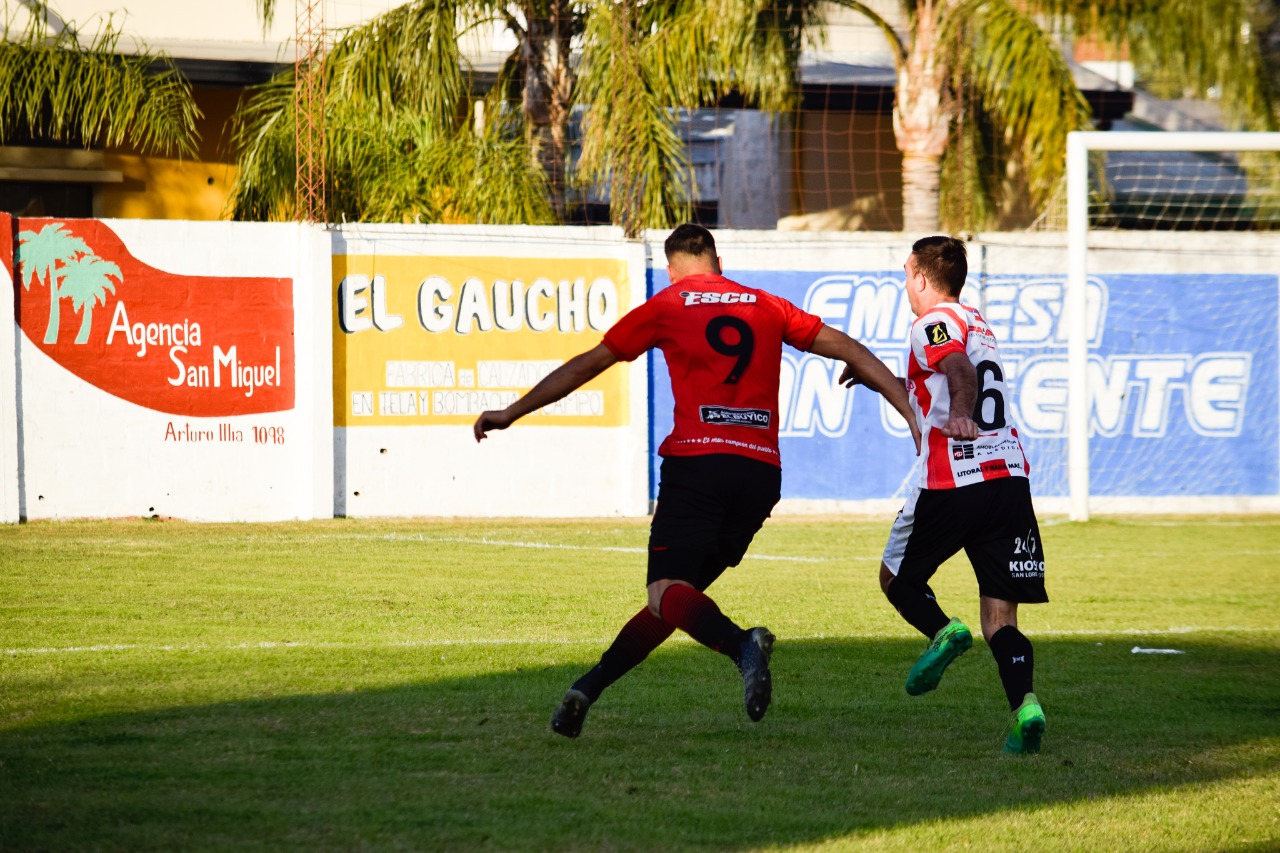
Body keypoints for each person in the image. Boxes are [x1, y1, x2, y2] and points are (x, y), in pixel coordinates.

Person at [474, 223, 920, 737]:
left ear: (671, 269)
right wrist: (908, 411)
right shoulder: (767, 305)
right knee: (675, 600)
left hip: (698, 466)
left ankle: (742, 645)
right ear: (717, 259)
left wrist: (513, 411)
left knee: (667, 592)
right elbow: (850, 348)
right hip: (759, 476)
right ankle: (587, 688)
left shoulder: (667, 305)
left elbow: (587, 365)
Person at [852, 234, 1048, 755]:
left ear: (920, 277)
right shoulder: (977, 321)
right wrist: (880, 380)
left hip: (954, 478)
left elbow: (957, 372)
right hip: (1008, 479)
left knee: (896, 579)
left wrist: (960, 412)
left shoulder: (931, 323)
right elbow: (938, 381)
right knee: (1001, 619)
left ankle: (944, 630)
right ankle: (1025, 707)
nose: (904, 285)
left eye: (905, 274)